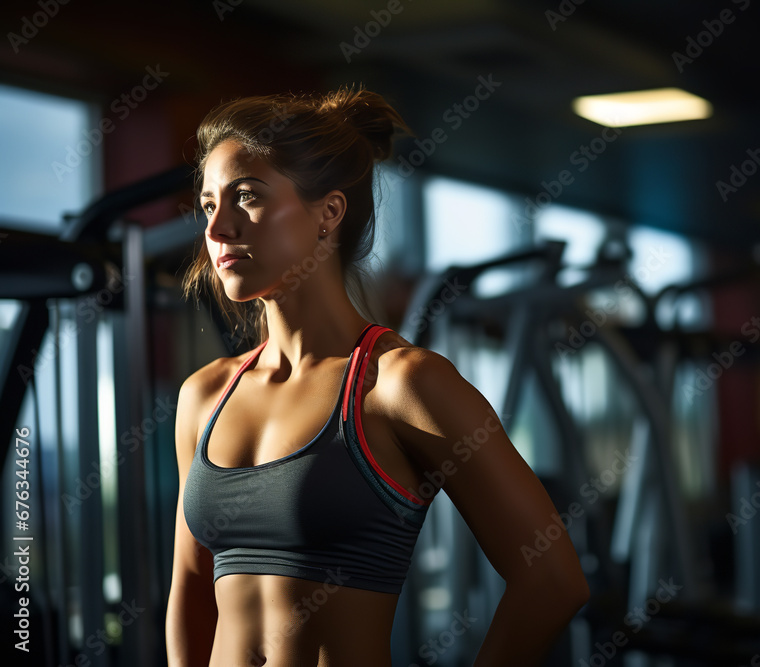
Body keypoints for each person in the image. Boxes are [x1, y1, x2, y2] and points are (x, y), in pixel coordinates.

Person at [165, 86, 589, 666]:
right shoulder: (204, 396)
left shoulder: (402, 386)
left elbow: (553, 581)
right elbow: (190, 592)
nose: (219, 230)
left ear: (328, 213)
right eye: (211, 205)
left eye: (247, 197)